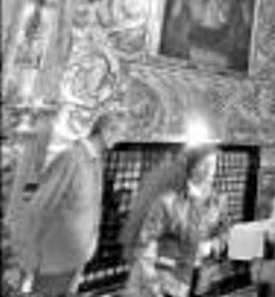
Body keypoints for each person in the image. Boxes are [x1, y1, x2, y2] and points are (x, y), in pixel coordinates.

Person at [16, 112, 121, 297]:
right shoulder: (70, 158)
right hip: (53, 265)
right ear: (105, 131)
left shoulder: (96, 162)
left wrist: (91, 244)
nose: (119, 138)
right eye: (118, 132)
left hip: (76, 262)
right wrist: (29, 260)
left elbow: (92, 209)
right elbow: (40, 207)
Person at [120, 143, 230, 297]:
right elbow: (146, 244)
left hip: (202, 281)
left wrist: (212, 246)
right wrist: (155, 286)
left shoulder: (217, 202)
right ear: (192, 168)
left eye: (213, 164)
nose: (210, 170)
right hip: (170, 282)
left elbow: (224, 234)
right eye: (205, 164)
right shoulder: (167, 201)